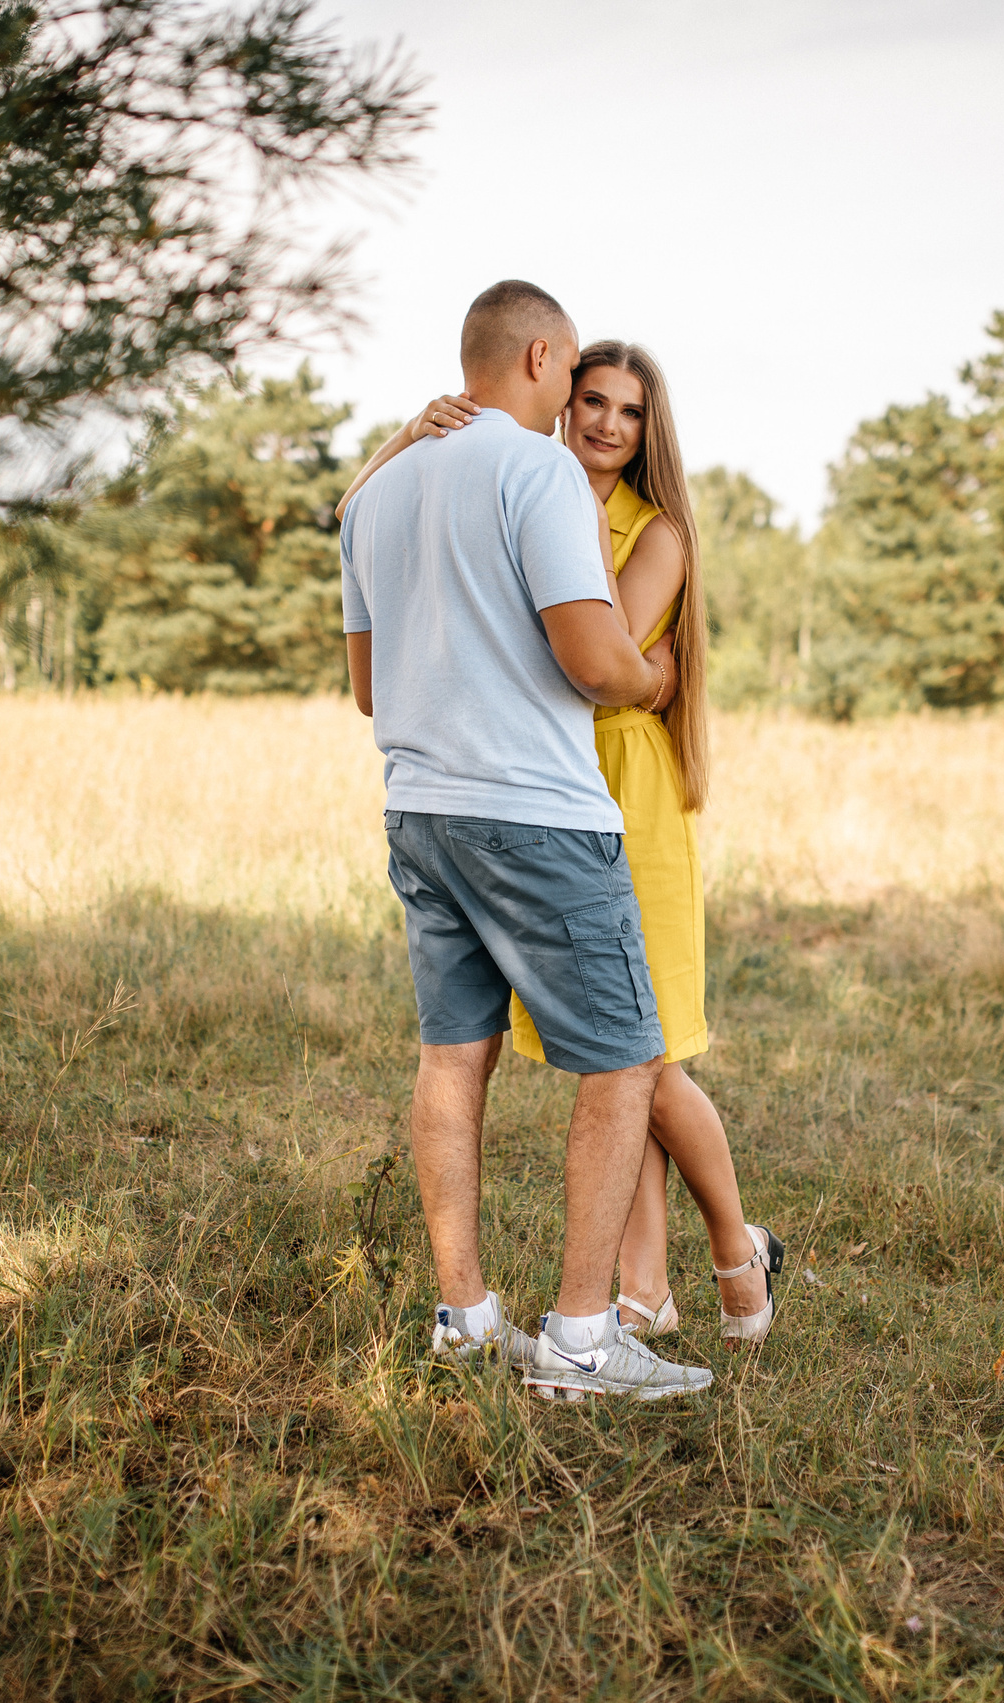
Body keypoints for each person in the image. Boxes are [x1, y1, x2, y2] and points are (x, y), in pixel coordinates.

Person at [340, 341, 784, 1347]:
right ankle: (641, 1290)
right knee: (610, 1054)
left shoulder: (650, 528)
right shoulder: (512, 484)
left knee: (645, 1052)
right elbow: (596, 653)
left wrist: (649, 677)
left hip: (619, 783)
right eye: (592, 400)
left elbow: (593, 657)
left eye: (630, 412)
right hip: (541, 785)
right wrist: (410, 438)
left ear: (647, 431)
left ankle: (734, 1250)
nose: (606, 424)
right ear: (557, 388)